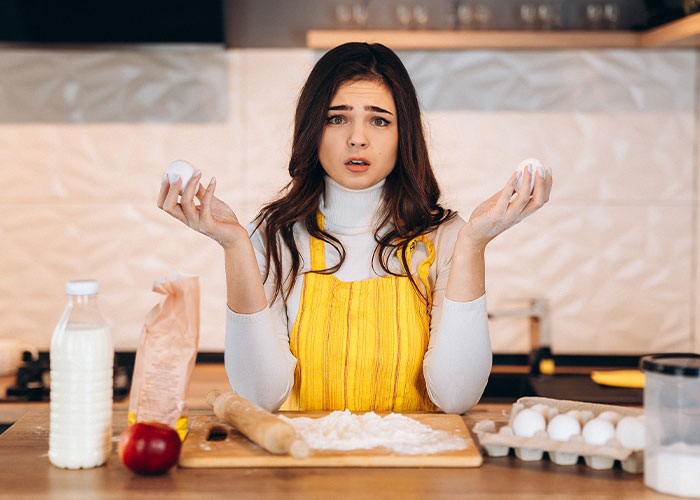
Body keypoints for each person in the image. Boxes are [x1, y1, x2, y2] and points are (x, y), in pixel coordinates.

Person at [157, 42, 552, 414]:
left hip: (415, 478)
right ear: (313, 129)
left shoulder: (446, 237)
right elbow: (260, 395)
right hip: (306, 476)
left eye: (379, 120)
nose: (357, 139)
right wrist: (235, 248)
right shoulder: (273, 237)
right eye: (337, 118)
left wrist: (474, 244)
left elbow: (456, 396)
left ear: (403, 136)